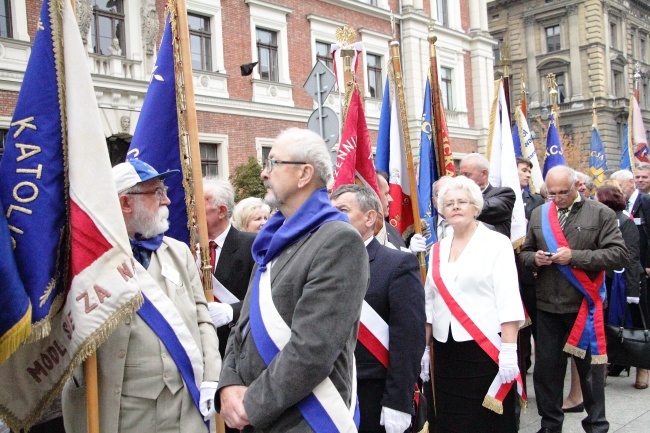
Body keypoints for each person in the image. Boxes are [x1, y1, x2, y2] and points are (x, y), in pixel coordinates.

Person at [216, 128, 369, 431]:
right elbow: (243, 325)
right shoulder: (274, 238)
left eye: (273, 163)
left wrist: (251, 404)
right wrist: (229, 383)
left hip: (306, 418)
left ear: (304, 174)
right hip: (259, 415)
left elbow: (313, 349)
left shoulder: (337, 241)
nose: (263, 173)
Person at [62, 159, 221, 433]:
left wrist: (211, 377)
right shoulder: (88, 262)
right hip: (125, 414)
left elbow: (202, 319)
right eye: (157, 192)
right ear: (125, 203)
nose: (168, 201)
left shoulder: (179, 252)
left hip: (188, 407)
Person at [520, 165, 629, 433]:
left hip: (584, 307)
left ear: (577, 186)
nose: (556, 199)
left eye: (562, 193)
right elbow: (525, 253)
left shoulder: (600, 213)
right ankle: (550, 426)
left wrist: (575, 257)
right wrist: (534, 259)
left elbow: (618, 254)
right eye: (551, 194)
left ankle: (596, 426)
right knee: (547, 373)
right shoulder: (538, 214)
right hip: (547, 307)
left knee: (591, 374)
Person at [425, 175, 525, 433]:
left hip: (484, 350)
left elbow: (508, 298)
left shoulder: (496, 243)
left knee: (483, 422)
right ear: (442, 210)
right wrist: (424, 349)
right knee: (450, 420)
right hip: (446, 351)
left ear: (476, 207)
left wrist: (509, 350)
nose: (455, 207)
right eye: (449, 203)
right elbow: (429, 302)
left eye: (462, 202)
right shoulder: (437, 249)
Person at [331, 184, 426, 433]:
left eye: (342, 210)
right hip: (328, 389)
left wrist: (399, 401)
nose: (333, 217)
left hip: (373, 391)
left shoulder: (396, 264)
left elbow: (408, 339)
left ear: (370, 217)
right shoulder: (319, 265)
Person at [203, 178, 256, 360]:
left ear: (221, 211)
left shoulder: (251, 245)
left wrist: (231, 311)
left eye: (201, 203)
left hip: (236, 349)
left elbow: (265, 296)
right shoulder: (186, 248)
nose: (192, 210)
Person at [459, 153, 516, 238]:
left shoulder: (505, 194)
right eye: (461, 175)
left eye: (467, 175)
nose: (463, 179)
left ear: (484, 173)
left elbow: (485, 208)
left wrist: (460, 201)